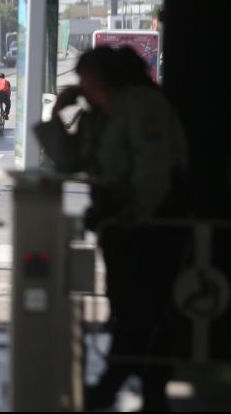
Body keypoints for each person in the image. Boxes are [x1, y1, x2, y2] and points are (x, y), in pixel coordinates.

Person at [35, 46, 190, 411]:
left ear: (104, 78)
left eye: (85, 77)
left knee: (141, 312)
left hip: (153, 227)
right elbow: (68, 160)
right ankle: (150, 394)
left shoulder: (142, 107)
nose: (80, 85)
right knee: (132, 310)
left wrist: (137, 213)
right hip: (117, 227)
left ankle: (109, 390)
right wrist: (57, 114)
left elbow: (154, 169)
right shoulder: (97, 117)